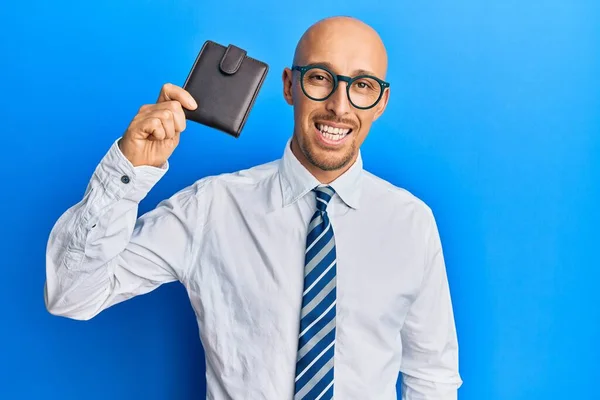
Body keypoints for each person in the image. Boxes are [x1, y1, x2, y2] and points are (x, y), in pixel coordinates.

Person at [45, 16, 462, 400]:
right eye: (320, 78)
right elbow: (71, 295)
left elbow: (432, 376)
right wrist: (129, 172)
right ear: (288, 85)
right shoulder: (210, 207)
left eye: (363, 85)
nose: (339, 105)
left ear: (382, 101)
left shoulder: (411, 223)